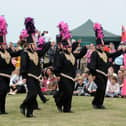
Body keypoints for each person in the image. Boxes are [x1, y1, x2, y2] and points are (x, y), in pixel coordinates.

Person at [19, 17, 51, 118]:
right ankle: (23, 105)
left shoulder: (36, 53)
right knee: (32, 94)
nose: (35, 46)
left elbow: (43, 51)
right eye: (33, 44)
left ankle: (29, 113)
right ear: (28, 45)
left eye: (35, 44)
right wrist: (23, 77)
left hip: (36, 77)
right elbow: (23, 65)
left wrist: (49, 43)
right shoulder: (25, 53)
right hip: (29, 76)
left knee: (34, 95)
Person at [0, 16, 22, 114]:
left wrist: (22, 47)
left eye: (5, 44)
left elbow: (16, 53)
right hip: (0, 75)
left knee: (4, 92)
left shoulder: (8, 52)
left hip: (7, 76)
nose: (5, 45)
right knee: (2, 90)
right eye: (3, 44)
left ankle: (3, 110)